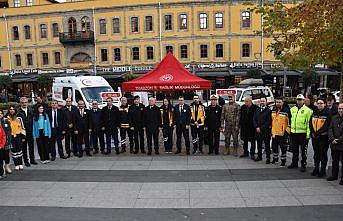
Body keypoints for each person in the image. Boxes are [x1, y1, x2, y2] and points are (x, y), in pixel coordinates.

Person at [288, 94, 312, 172]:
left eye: (301, 100)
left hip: (303, 133)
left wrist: (308, 134)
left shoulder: (308, 110)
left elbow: (309, 123)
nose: (299, 101)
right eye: (298, 100)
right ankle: (294, 163)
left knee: (303, 151)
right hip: (294, 133)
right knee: (294, 149)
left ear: (303, 100)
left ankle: (303, 164)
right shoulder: (292, 109)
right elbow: (290, 120)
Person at [309, 97, 331, 177]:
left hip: (323, 137)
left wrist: (318, 133)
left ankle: (322, 171)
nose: (319, 105)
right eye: (318, 103)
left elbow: (326, 125)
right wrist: (313, 132)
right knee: (316, 154)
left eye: (321, 103)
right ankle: (316, 168)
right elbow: (310, 123)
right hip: (315, 137)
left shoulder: (328, 113)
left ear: (325, 104)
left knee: (323, 154)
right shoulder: (315, 112)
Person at [271, 97, 290, 167]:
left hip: (282, 133)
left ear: (282, 102)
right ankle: (275, 158)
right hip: (274, 132)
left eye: (279, 102)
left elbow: (289, 123)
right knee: (274, 147)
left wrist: (287, 133)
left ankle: (283, 161)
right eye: (277, 102)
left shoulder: (286, 111)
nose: (278, 103)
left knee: (283, 148)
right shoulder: (273, 110)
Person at [18, 97, 37, 167]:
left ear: (27, 103)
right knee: (24, 147)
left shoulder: (31, 111)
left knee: (31, 147)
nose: (24, 104)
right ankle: (26, 161)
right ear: (20, 103)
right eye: (22, 103)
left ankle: (32, 160)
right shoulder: (18, 112)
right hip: (22, 133)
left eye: (25, 102)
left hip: (30, 132)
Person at [327, 102, 343, 185]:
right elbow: (330, 129)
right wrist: (332, 139)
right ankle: (334, 175)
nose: (340, 110)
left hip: (341, 144)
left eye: (342, 109)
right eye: (339, 108)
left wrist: (339, 140)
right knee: (335, 161)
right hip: (334, 143)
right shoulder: (334, 118)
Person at [253, 97, 272, 163]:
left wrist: (261, 128)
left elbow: (268, 121)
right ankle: (259, 156)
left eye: (263, 101)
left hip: (265, 131)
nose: (262, 102)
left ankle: (268, 158)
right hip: (257, 130)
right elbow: (254, 119)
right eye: (261, 101)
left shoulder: (269, 111)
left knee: (267, 145)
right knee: (259, 144)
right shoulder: (257, 110)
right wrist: (256, 127)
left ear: (266, 102)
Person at [7, 106, 26, 170]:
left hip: (18, 136)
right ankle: (16, 164)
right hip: (11, 137)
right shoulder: (6, 119)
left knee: (19, 150)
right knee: (14, 151)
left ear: (15, 110)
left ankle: (20, 163)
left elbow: (22, 128)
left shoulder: (19, 118)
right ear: (9, 110)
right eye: (10, 109)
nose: (12, 110)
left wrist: (23, 136)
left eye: (13, 109)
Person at [0, 110, 12, 175]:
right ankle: (1, 169)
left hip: (6, 141)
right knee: (1, 157)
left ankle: (7, 166)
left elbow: (9, 132)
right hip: (0, 142)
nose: (0, 115)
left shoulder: (6, 121)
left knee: (6, 155)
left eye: (1, 113)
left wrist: (9, 141)